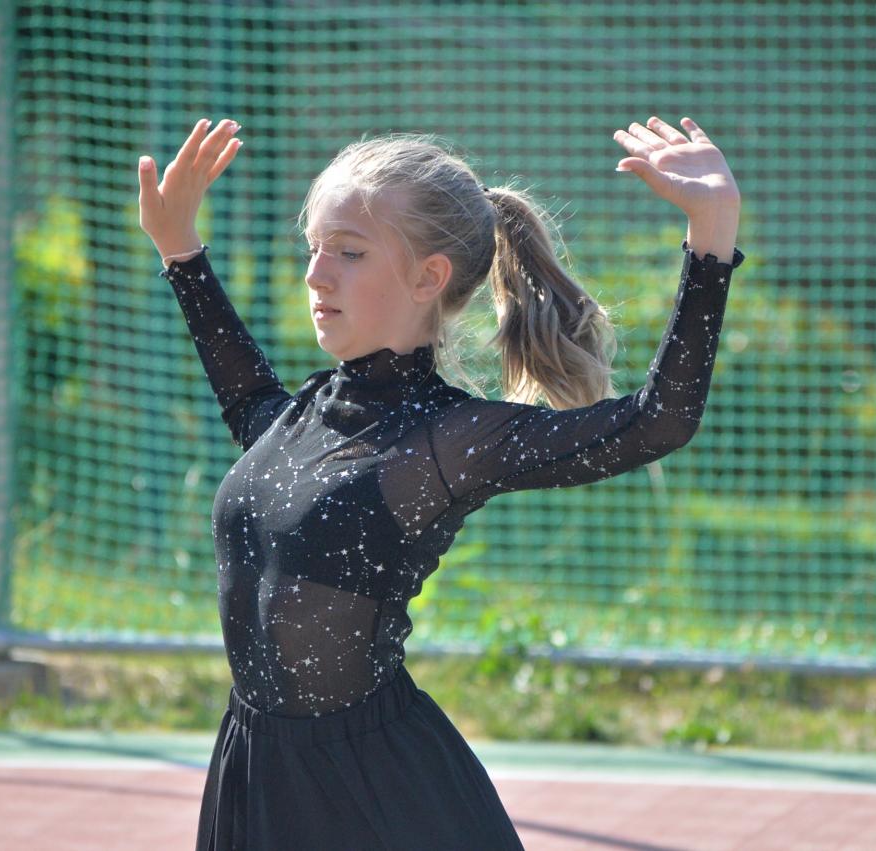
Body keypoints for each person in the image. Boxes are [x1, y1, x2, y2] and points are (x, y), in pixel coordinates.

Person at [137, 115, 743, 850]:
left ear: (429, 277)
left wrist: (712, 233)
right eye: (314, 248)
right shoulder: (297, 419)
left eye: (349, 252)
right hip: (254, 772)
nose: (316, 274)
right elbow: (246, 398)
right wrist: (180, 250)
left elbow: (657, 423)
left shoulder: (447, 440)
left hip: (378, 794)